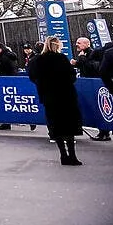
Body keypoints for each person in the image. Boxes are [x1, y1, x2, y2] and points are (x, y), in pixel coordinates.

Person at [29, 36, 84, 165]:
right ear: (57, 45)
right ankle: (72, 155)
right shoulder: (61, 58)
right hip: (65, 96)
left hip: (49, 97)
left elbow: (33, 76)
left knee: (55, 125)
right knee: (69, 125)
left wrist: (43, 86)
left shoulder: (38, 60)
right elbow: (71, 76)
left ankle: (63, 155)